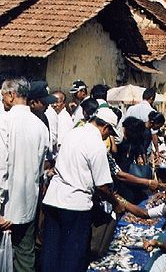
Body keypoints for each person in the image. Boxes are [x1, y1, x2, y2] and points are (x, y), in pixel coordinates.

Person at [41, 105, 123, 272]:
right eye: (109, 133)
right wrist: (115, 202)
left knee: (51, 252)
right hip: (75, 205)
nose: (107, 136)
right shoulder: (96, 144)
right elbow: (102, 185)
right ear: (105, 127)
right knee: (72, 256)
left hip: (54, 199)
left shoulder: (73, 133)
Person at [0, 77, 49, 272]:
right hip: (28, 204)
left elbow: (1, 168)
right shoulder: (40, 126)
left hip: (6, 206)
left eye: (3, 95)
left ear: (11, 95)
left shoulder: (5, 122)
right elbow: (40, 169)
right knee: (25, 255)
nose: (2, 100)